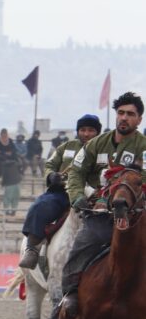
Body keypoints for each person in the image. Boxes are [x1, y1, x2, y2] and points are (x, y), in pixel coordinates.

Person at [60, 92, 146, 316]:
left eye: (130, 114)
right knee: (84, 242)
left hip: (134, 214)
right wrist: (77, 196)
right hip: (99, 212)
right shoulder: (96, 143)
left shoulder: (143, 147)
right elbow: (76, 171)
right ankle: (69, 294)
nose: (124, 118)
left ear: (139, 120)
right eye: (121, 113)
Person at [18, 114, 102, 268]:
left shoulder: (104, 151)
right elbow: (49, 164)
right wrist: (51, 175)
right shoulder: (66, 147)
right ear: (78, 131)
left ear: (97, 132)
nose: (86, 134)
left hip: (94, 196)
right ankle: (32, 248)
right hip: (62, 193)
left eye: (91, 130)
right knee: (39, 206)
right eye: (83, 130)